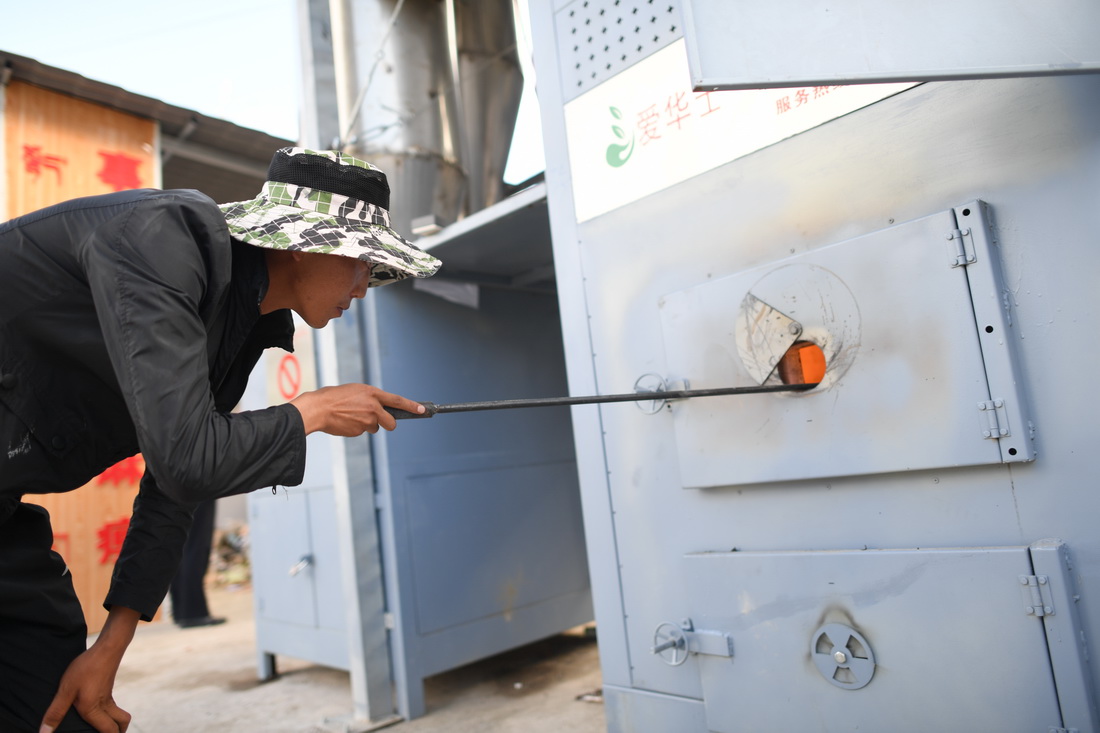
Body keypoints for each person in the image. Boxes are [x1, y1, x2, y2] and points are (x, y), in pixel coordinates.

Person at [0, 147, 440, 733]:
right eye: (360, 261)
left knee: (59, 709)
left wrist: (109, 648)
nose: (364, 285)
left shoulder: (241, 324)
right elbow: (187, 459)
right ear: (300, 240)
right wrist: (308, 413)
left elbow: (176, 485)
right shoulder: (163, 239)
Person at [167, 498, 224, 628]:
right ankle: (193, 613)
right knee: (197, 545)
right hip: (198, 486)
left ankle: (181, 611)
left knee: (182, 543)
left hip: (175, 484)